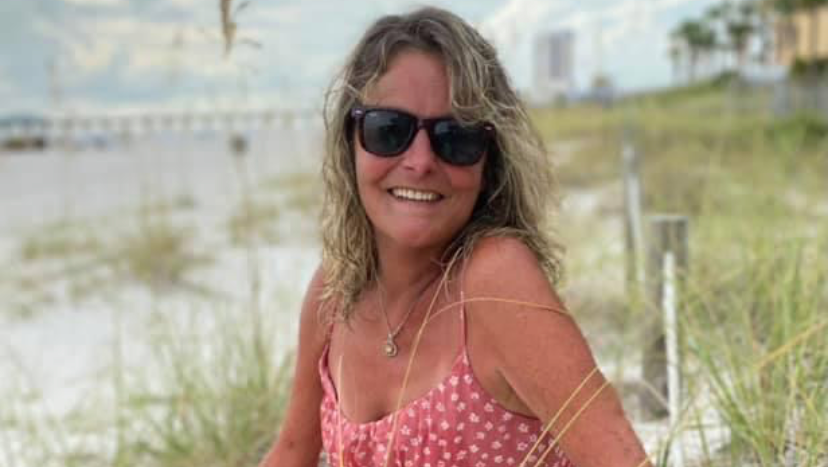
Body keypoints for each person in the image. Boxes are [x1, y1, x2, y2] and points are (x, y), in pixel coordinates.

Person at [259, 6, 652, 467]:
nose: (421, 161)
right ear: (351, 141)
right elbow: (292, 451)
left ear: (490, 161)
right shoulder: (334, 291)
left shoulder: (496, 280)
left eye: (456, 138)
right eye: (389, 130)